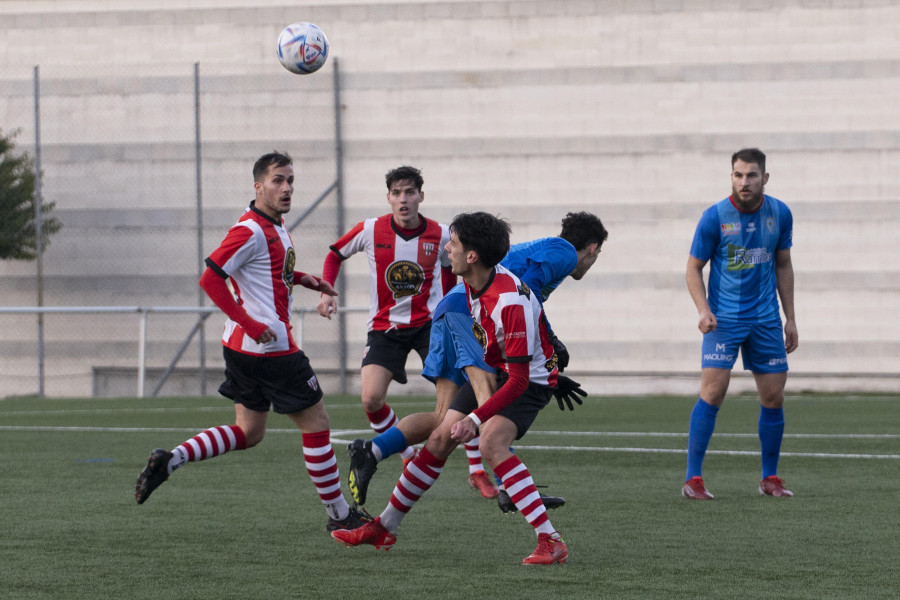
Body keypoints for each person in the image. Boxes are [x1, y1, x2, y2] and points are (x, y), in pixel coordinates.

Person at [134, 151, 369, 532]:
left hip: (242, 350)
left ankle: (171, 460)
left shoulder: (273, 226)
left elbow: (269, 273)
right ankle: (340, 516)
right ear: (258, 186)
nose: (287, 188)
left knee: (249, 431)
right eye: (278, 180)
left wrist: (307, 280)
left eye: (290, 180)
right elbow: (210, 278)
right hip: (270, 348)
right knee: (317, 425)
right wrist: (249, 321)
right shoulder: (250, 229)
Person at [332, 212, 569, 565]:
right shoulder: (471, 287)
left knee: (491, 443)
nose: (447, 249)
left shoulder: (509, 302)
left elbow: (519, 379)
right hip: (500, 366)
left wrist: (474, 418)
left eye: (453, 244)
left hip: (530, 380)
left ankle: (550, 539)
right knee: (441, 437)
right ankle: (385, 526)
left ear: (472, 256)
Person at [316, 166, 455, 463]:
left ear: (421, 196)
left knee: (459, 395)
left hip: (429, 326)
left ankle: (477, 468)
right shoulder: (370, 229)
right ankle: (406, 453)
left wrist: (455, 311)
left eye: (409, 192)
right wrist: (327, 291)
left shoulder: (442, 234)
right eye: (396, 193)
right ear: (388, 198)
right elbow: (334, 254)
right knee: (371, 398)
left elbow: (452, 271)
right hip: (385, 327)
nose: (403, 199)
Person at [682, 148, 798, 500]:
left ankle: (770, 478)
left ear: (765, 177)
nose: (743, 182)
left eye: (750, 175)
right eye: (737, 175)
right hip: (724, 320)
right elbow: (692, 268)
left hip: (765, 319)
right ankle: (693, 479)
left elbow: (783, 265)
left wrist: (790, 317)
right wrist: (703, 310)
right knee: (713, 392)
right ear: (731, 176)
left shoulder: (780, 213)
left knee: (773, 397)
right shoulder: (714, 217)